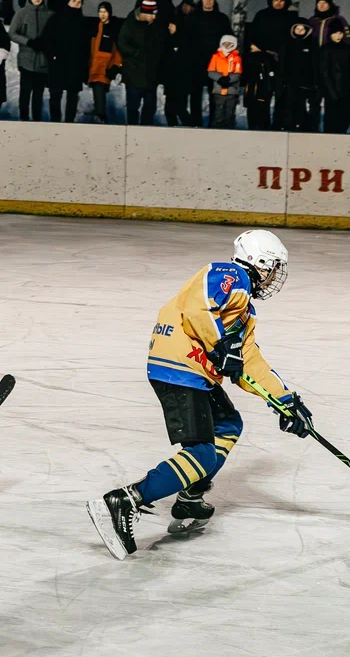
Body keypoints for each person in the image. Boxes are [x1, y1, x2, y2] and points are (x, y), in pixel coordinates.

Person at [87, 230, 311, 561]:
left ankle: (190, 495)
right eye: (273, 267)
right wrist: (221, 344)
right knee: (204, 453)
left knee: (228, 426)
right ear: (260, 262)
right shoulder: (229, 274)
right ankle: (126, 499)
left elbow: (249, 360)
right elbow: (198, 307)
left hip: (194, 373)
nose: (274, 276)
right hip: (178, 368)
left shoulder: (244, 309)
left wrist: (285, 400)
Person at [246, 0, 297, 129]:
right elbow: (252, 39)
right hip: (263, 61)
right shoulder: (262, 15)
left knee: (282, 96)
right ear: (271, 1)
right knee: (262, 95)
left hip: (283, 62)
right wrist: (261, 51)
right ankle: (261, 124)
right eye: (276, 0)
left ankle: (279, 125)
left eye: (282, 0)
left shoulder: (291, 17)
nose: (279, 3)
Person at [188, 0, 232, 126]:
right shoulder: (193, 17)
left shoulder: (222, 19)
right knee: (195, 94)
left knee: (215, 95)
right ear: (201, 0)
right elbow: (186, 39)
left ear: (214, 0)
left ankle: (215, 123)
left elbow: (229, 40)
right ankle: (196, 122)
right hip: (196, 62)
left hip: (216, 64)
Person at [118, 0, 166, 126]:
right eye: (152, 14)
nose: (154, 17)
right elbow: (122, 44)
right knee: (133, 107)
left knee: (150, 108)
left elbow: (161, 47)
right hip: (134, 75)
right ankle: (132, 131)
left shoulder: (156, 26)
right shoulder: (130, 24)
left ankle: (146, 131)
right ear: (144, 13)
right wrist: (135, 53)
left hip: (151, 76)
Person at [8, 0, 52, 121]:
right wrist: (28, 41)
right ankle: (24, 117)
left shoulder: (50, 14)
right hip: (26, 59)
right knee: (25, 91)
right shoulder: (22, 13)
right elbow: (12, 33)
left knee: (39, 92)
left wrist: (46, 45)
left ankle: (37, 119)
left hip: (43, 60)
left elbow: (55, 35)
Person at [45, 0, 89, 122]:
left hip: (75, 64)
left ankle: (70, 121)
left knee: (73, 95)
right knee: (55, 94)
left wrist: (84, 64)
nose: (76, 4)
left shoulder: (82, 21)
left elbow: (86, 46)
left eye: (79, 2)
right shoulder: (56, 19)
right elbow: (47, 40)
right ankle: (55, 121)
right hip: (58, 63)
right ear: (67, 2)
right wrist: (52, 55)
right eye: (74, 1)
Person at [161, 0, 199, 127]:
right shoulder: (174, 19)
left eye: (189, 6)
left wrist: (176, 34)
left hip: (184, 74)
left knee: (179, 107)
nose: (187, 8)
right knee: (169, 109)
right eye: (185, 5)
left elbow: (189, 46)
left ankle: (189, 127)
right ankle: (175, 129)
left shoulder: (193, 23)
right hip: (171, 73)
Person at [87, 1, 123, 124]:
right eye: (100, 12)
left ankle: (100, 115)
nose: (102, 15)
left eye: (105, 12)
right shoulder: (95, 27)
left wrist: (115, 66)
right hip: (95, 66)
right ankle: (99, 113)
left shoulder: (114, 29)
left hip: (104, 67)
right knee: (98, 91)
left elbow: (117, 50)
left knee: (99, 90)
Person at [281, 22, 319, 132]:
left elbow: (314, 63)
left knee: (302, 106)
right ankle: (288, 126)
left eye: (302, 29)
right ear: (293, 30)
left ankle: (303, 126)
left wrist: (313, 80)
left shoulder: (311, 44)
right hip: (290, 80)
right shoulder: (287, 43)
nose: (300, 31)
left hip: (306, 82)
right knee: (289, 105)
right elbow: (283, 62)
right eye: (297, 29)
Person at [316, 27, 350, 133]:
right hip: (331, 90)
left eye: (340, 33)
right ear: (330, 35)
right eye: (335, 33)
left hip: (345, 90)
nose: (338, 36)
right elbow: (324, 71)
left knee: (345, 117)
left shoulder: (347, 48)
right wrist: (330, 91)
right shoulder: (325, 48)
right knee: (331, 118)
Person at [207, 34, 243, 130]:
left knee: (229, 114)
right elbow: (210, 71)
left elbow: (238, 73)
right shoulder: (215, 56)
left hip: (232, 90)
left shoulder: (237, 58)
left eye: (230, 44)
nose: (227, 46)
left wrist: (228, 79)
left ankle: (229, 131)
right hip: (218, 90)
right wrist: (220, 78)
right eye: (225, 44)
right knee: (218, 113)